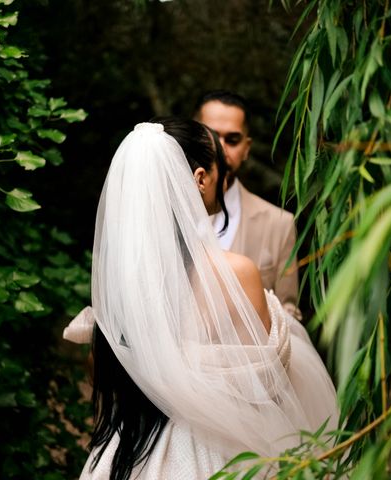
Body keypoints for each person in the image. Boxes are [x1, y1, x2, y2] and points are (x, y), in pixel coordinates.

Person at [63, 118, 338, 480]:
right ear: (200, 178)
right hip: (223, 454)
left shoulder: (123, 283)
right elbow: (269, 383)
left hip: (131, 450)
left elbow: (102, 373)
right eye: (216, 169)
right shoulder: (239, 273)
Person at [194, 91, 302, 320]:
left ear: (247, 148)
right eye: (210, 136)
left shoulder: (279, 223)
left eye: (232, 140)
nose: (220, 148)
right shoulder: (161, 213)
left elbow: (288, 313)